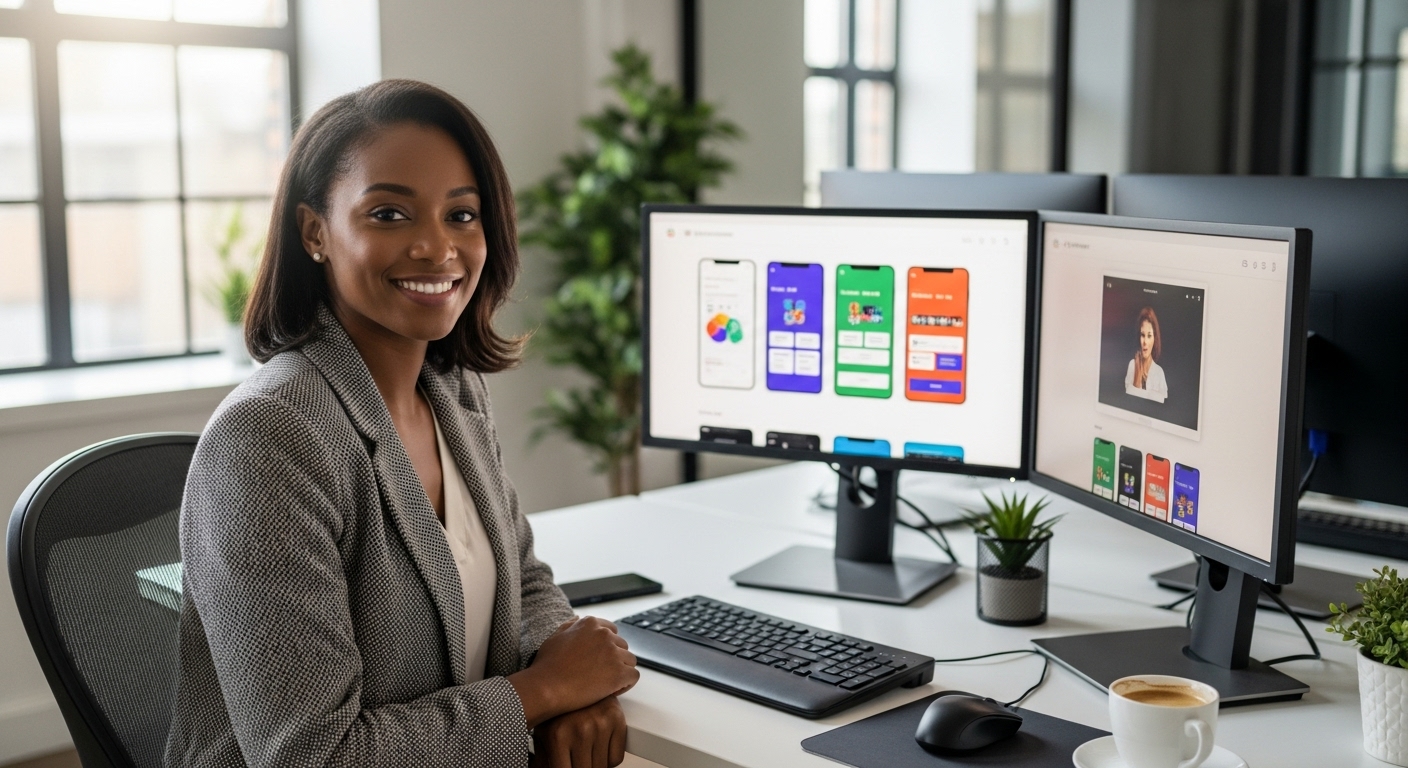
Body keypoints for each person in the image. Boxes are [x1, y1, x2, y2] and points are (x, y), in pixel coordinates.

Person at [165, 80, 638, 768]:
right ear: (315, 233)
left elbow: (524, 579)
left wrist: (571, 676)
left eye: (462, 215)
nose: (437, 247)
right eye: (389, 214)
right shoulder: (269, 437)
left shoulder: (454, 390)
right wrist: (545, 690)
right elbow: (314, 756)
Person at [1124, 306, 1168, 403]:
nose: (1145, 342)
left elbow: (1162, 406)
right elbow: (1129, 401)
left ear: (1154, 338)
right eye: (1142, 335)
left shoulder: (1159, 373)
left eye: (1149, 336)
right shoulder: (1132, 365)